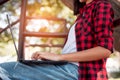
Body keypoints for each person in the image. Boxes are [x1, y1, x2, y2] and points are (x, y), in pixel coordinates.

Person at [0, 0, 114, 80]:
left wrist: (59, 57)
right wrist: (51, 58)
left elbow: (105, 49)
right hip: (66, 67)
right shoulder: (81, 15)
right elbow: (73, 51)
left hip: (80, 72)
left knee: (4, 70)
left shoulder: (101, 6)